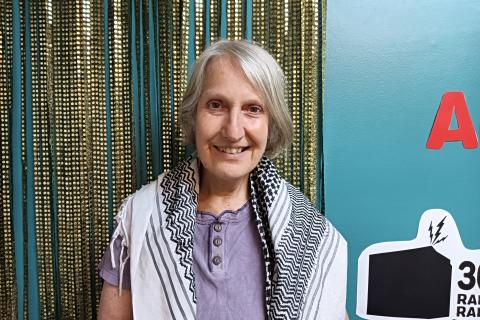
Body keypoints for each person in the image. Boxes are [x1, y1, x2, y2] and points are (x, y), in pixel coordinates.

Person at [97, 39, 348, 320]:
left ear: (271, 123)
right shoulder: (140, 219)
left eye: (253, 109)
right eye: (216, 105)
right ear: (194, 115)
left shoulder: (310, 234)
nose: (233, 131)